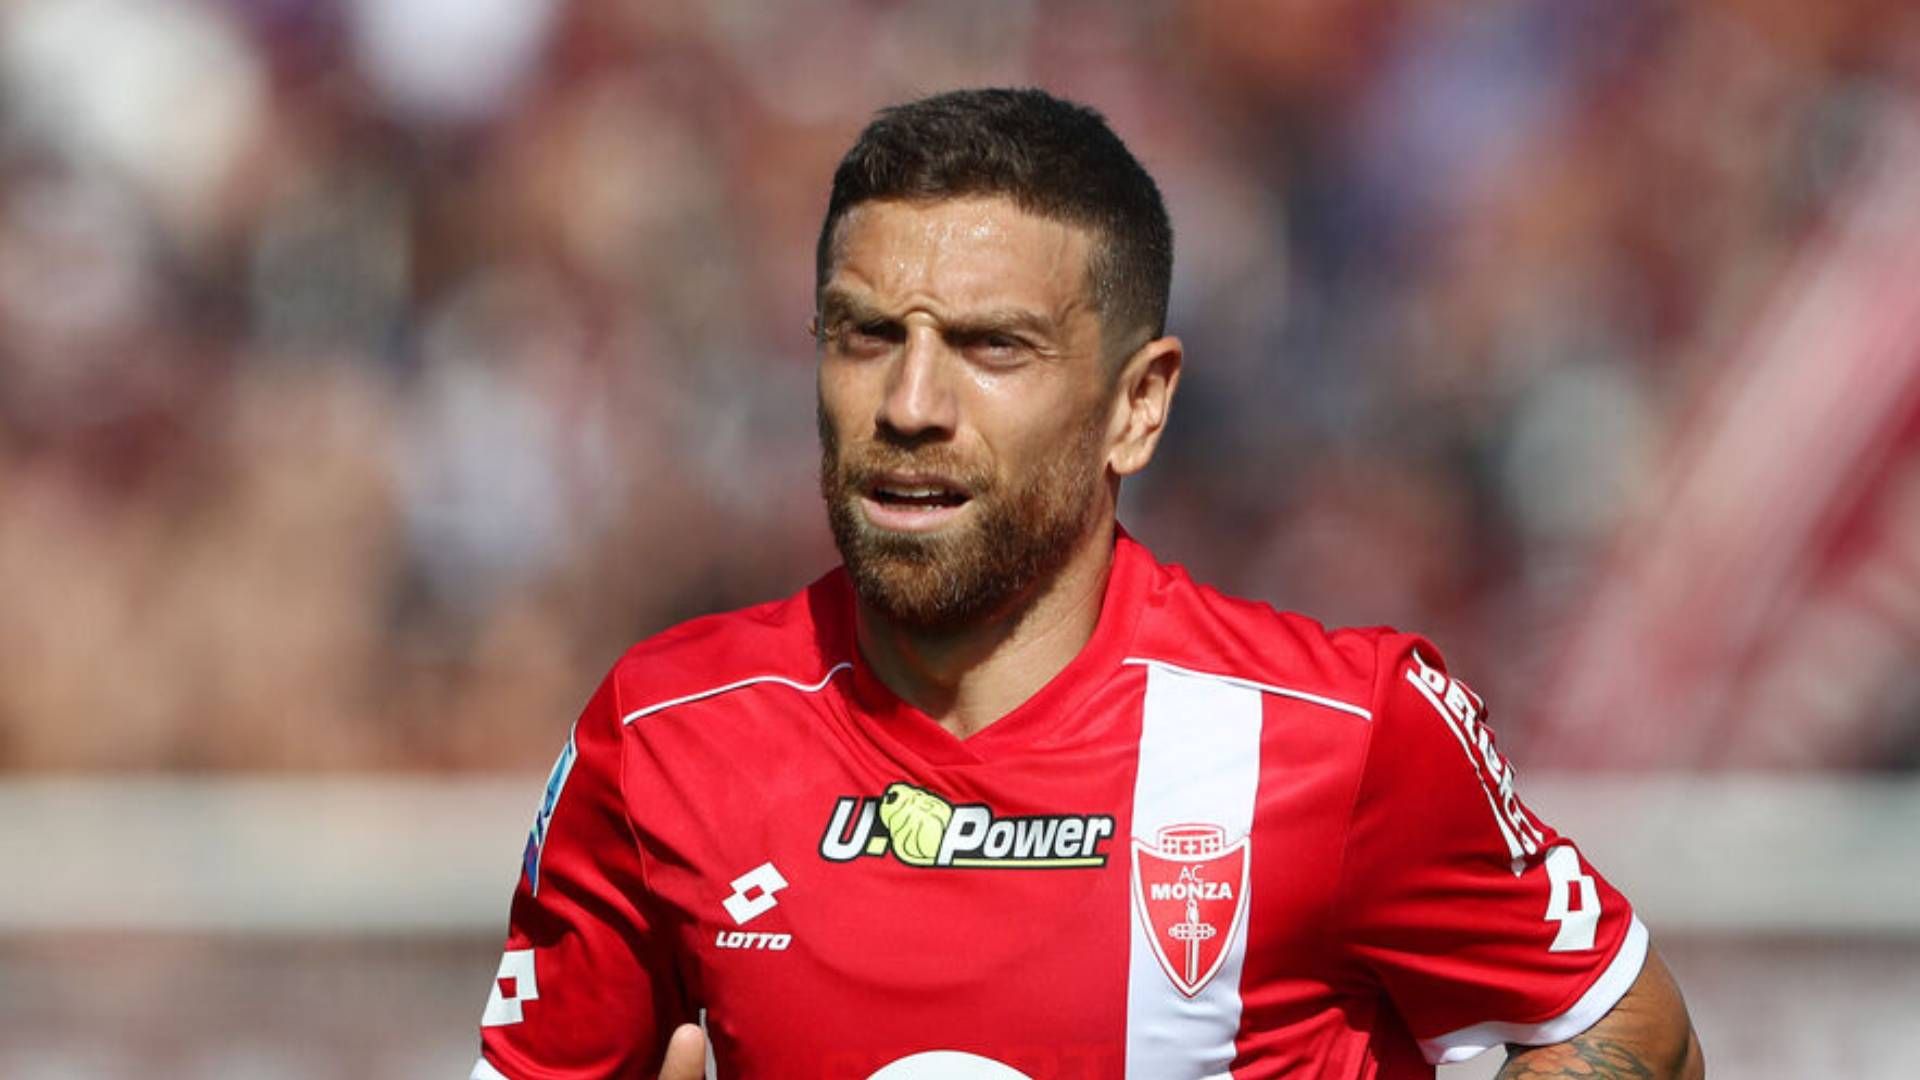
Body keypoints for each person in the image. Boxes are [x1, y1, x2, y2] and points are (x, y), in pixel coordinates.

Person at [472, 88, 1704, 1080]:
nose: (910, 404)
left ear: (1137, 406)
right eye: (866, 335)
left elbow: (1630, 1031)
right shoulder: (665, 735)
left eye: (991, 346)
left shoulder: (1341, 732)